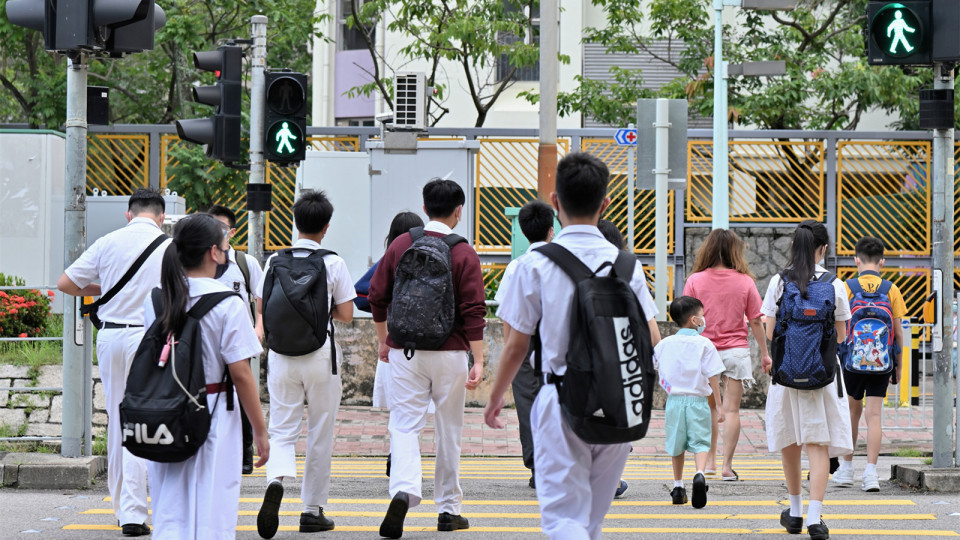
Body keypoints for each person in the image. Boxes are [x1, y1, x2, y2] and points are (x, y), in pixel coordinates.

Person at [484, 152, 661, 539]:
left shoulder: (535, 265)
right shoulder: (627, 265)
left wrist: (497, 396)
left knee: (564, 519)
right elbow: (649, 337)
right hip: (615, 403)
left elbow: (516, 345)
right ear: (606, 204)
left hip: (559, 399)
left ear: (555, 202)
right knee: (591, 522)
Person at [368, 178, 486, 538]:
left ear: (423, 208)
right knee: (448, 429)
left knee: (404, 424)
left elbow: (376, 295)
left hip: (406, 352)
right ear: (458, 211)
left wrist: (384, 341)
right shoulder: (464, 253)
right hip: (450, 354)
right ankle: (449, 509)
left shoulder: (404, 242)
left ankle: (404, 490)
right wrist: (477, 360)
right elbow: (474, 310)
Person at [143, 213, 268, 539]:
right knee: (213, 500)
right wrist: (259, 431)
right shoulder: (228, 303)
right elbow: (241, 374)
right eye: (225, 246)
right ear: (213, 252)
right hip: (213, 409)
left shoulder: (156, 298)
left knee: (169, 497)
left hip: (166, 407)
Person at [57, 188, 171, 536]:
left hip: (110, 338)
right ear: (162, 217)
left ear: (128, 214)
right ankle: (141, 511)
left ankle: (124, 509)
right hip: (147, 339)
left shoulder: (108, 242)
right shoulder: (170, 247)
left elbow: (66, 283)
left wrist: (102, 289)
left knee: (118, 418)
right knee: (146, 419)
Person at [254, 190, 356, 538]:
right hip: (320, 357)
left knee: (282, 428)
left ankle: (275, 481)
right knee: (320, 432)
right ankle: (311, 511)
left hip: (282, 356)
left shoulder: (273, 261)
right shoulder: (333, 262)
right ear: (326, 227)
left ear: (294, 222)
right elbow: (345, 314)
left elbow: (263, 305)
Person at [761, 219, 853, 540]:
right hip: (822, 375)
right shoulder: (835, 284)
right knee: (817, 441)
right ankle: (815, 518)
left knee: (790, 439)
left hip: (786, 375)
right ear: (823, 249)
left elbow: (770, 332)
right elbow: (841, 336)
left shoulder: (778, 282)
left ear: (794, 246)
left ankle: (795, 512)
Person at [682, 228, 770, 480]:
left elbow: (688, 319)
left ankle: (708, 462)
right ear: (735, 251)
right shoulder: (745, 282)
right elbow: (755, 321)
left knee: (710, 408)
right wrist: (765, 354)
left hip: (705, 350)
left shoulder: (695, 280)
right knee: (731, 410)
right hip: (736, 351)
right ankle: (726, 467)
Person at [355, 211, 425, 478]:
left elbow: (362, 294)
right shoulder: (433, 258)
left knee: (400, 409)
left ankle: (399, 455)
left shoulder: (390, 259)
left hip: (394, 344)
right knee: (418, 412)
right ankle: (405, 459)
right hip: (429, 345)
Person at [832, 236, 905, 492]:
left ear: (856, 260)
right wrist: (898, 364)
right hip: (881, 362)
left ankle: (846, 469)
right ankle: (871, 474)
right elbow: (897, 330)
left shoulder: (846, 286)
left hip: (851, 361)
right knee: (875, 415)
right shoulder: (891, 289)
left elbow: (838, 324)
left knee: (852, 413)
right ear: (882, 261)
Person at [494, 200, 555, 489]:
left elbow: (508, 316)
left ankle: (537, 469)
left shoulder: (516, 267)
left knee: (529, 406)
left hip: (525, 344)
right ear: (551, 231)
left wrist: (511, 353)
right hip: (559, 342)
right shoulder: (563, 262)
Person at [207, 204, 264, 475]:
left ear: (232, 232)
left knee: (242, 391)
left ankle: (245, 452)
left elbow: (261, 297)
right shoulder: (200, 263)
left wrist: (259, 326)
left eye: (222, 227)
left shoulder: (244, 263)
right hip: (207, 343)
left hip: (239, 340)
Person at [655, 296, 725, 509]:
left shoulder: (665, 344)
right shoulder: (705, 344)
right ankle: (700, 474)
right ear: (694, 320)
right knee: (701, 442)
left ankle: (677, 487)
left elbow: (655, 367)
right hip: (698, 401)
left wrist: (669, 385)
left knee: (676, 444)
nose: (704, 320)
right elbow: (713, 376)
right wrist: (719, 406)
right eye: (702, 316)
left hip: (674, 401)